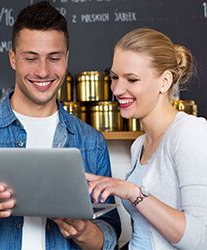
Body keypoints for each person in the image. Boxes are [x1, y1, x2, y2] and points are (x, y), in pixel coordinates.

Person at [0, 2, 121, 249]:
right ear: (13, 59)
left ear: (66, 58)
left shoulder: (91, 142)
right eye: (31, 58)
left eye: (54, 58)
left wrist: (83, 230)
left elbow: (109, 238)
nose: (43, 71)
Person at [86, 27, 207, 250]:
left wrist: (134, 193)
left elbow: (201, 240)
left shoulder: (189, 133)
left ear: (165, 81)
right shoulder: (139, 145)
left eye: (131, 80)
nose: (117, 89)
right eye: (114, 77)